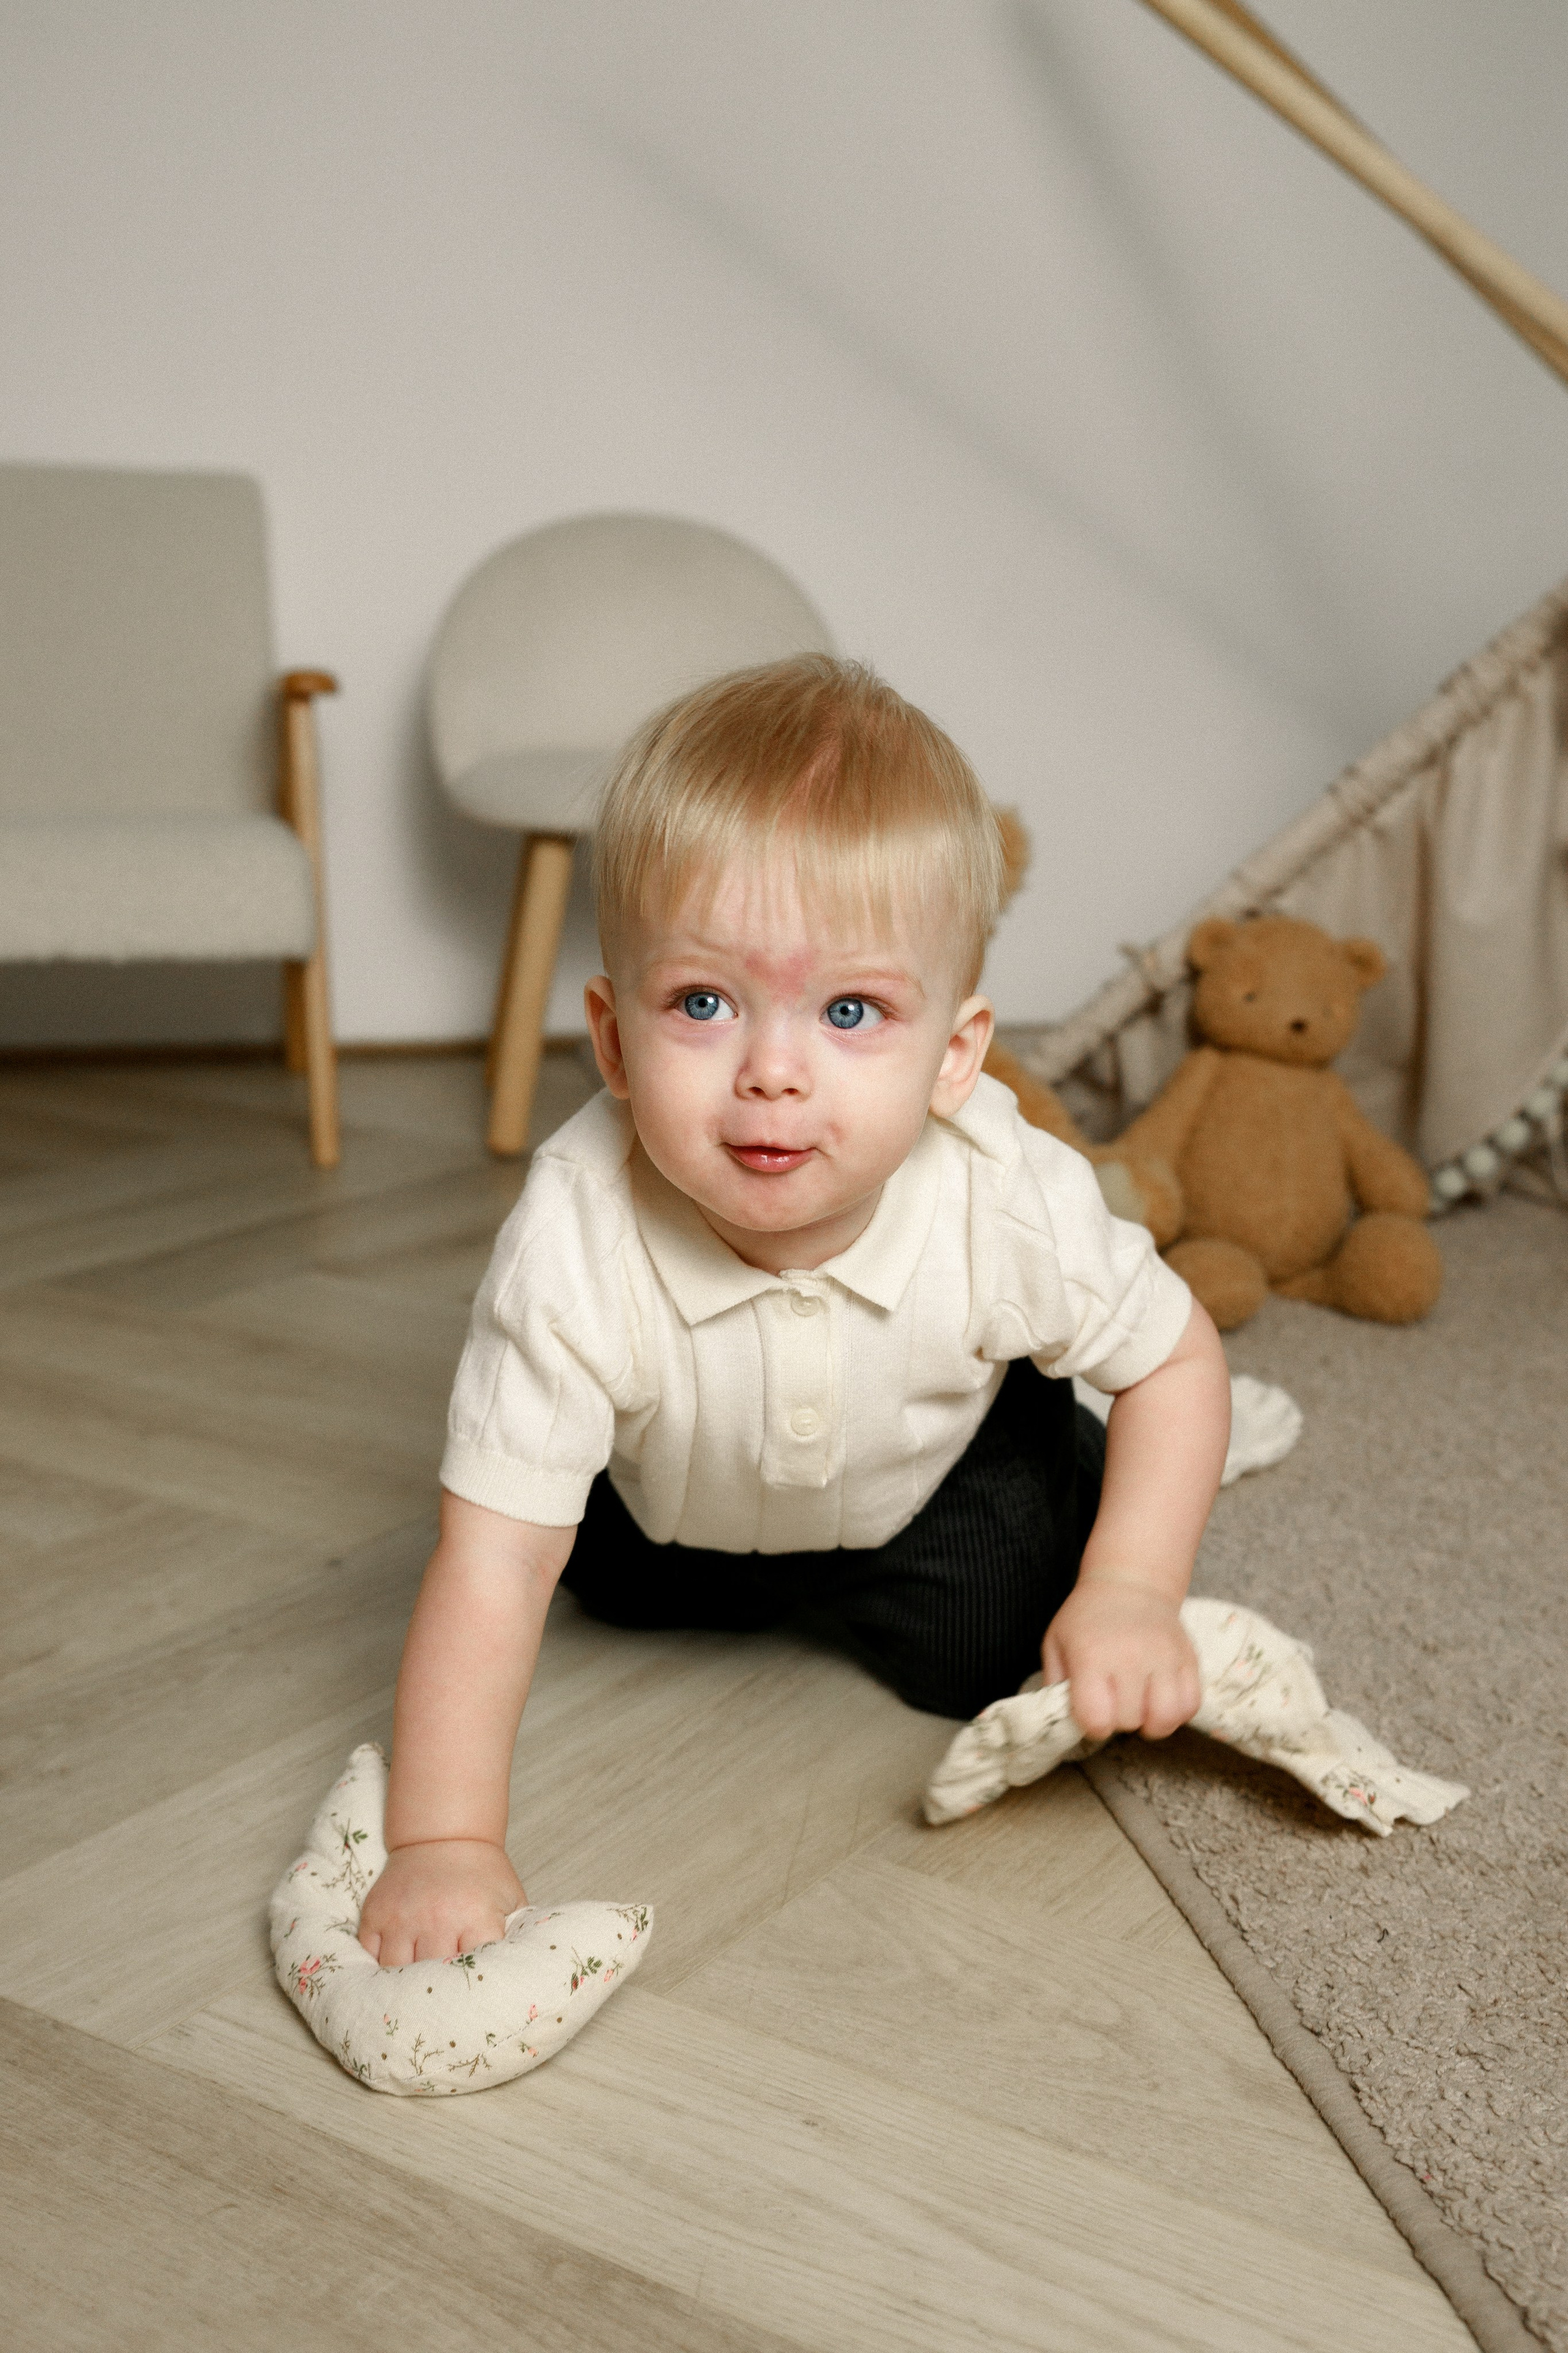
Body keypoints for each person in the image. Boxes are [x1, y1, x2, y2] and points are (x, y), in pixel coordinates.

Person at [358, 655, 1231, 1965]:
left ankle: (1057, 1467)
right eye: (701, 1003)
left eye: (849, 1010)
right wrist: (441, 1841)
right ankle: (708, 1560)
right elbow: (491, 1560)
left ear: (953, 1055)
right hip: (672, 1498)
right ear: (609, 1039)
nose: (772, 1070)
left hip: (929, 1476)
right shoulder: (573, 1234)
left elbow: (1174, 1361)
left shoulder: (998, 1196)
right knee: (579, 1567)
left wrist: (1131, 1586)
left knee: (1021, 1646)